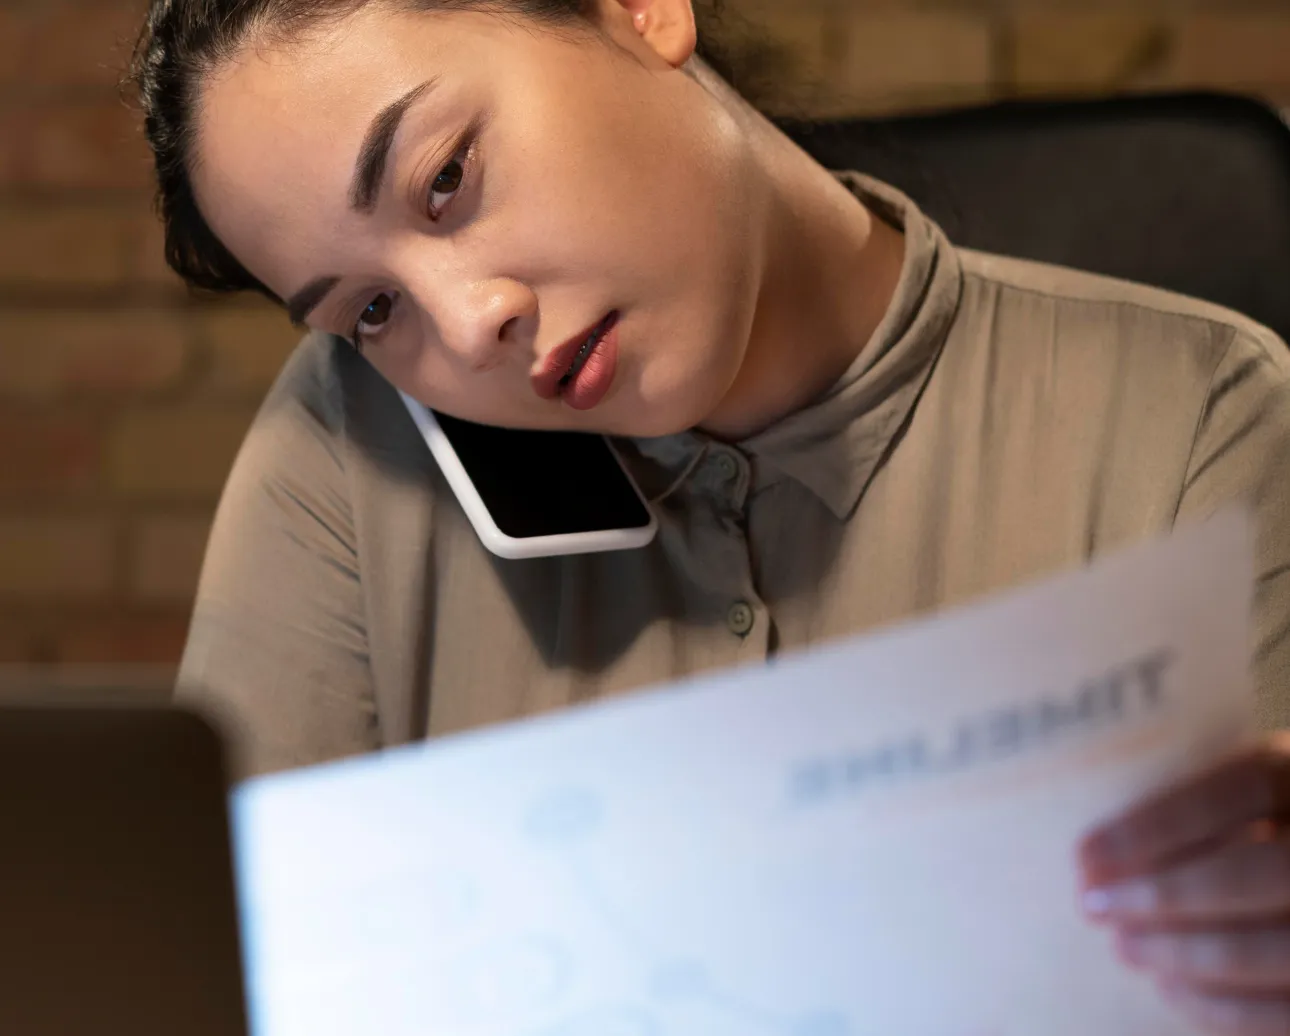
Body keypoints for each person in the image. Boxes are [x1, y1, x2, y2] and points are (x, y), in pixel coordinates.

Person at [131, 0, 1290, 1028]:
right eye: (373, 307)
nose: (467, 321)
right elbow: (190, 973)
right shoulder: (351, 449)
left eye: (445, 179)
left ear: (639, 11)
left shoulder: (1198, 414)